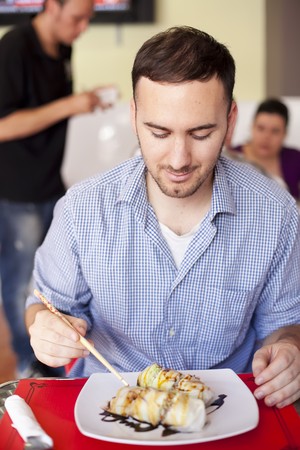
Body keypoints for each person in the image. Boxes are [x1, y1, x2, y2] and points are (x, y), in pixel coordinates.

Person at [26, 26, 300, 408]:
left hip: (225, 408)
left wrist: (288, 347)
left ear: (231, 119)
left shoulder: (277, 214)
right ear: (135, 115)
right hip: (110, 404)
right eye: (158, 132)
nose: (178, 159)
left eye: (201, 133)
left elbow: (283, 324)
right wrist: (47, 328)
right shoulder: (82, 209)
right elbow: (45, 304)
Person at [0, 0, 115, 377]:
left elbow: (46, 110)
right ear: (51, 6)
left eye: (88, 19)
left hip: (52, 183)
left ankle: (53, 363)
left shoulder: (64, 48)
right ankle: (27, 366)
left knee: (56, 284)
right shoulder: (15, 47)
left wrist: (82, 103)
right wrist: (70, 105)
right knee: (21, 286)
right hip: (18, 191)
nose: (82, 28)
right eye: (76, 18)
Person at [226, 98, 300, 202]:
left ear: (284, 134)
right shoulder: (232, 157)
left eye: (275, 131)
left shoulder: (295, 159)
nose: (266, 137)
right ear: (252, 127)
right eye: (261, 128)